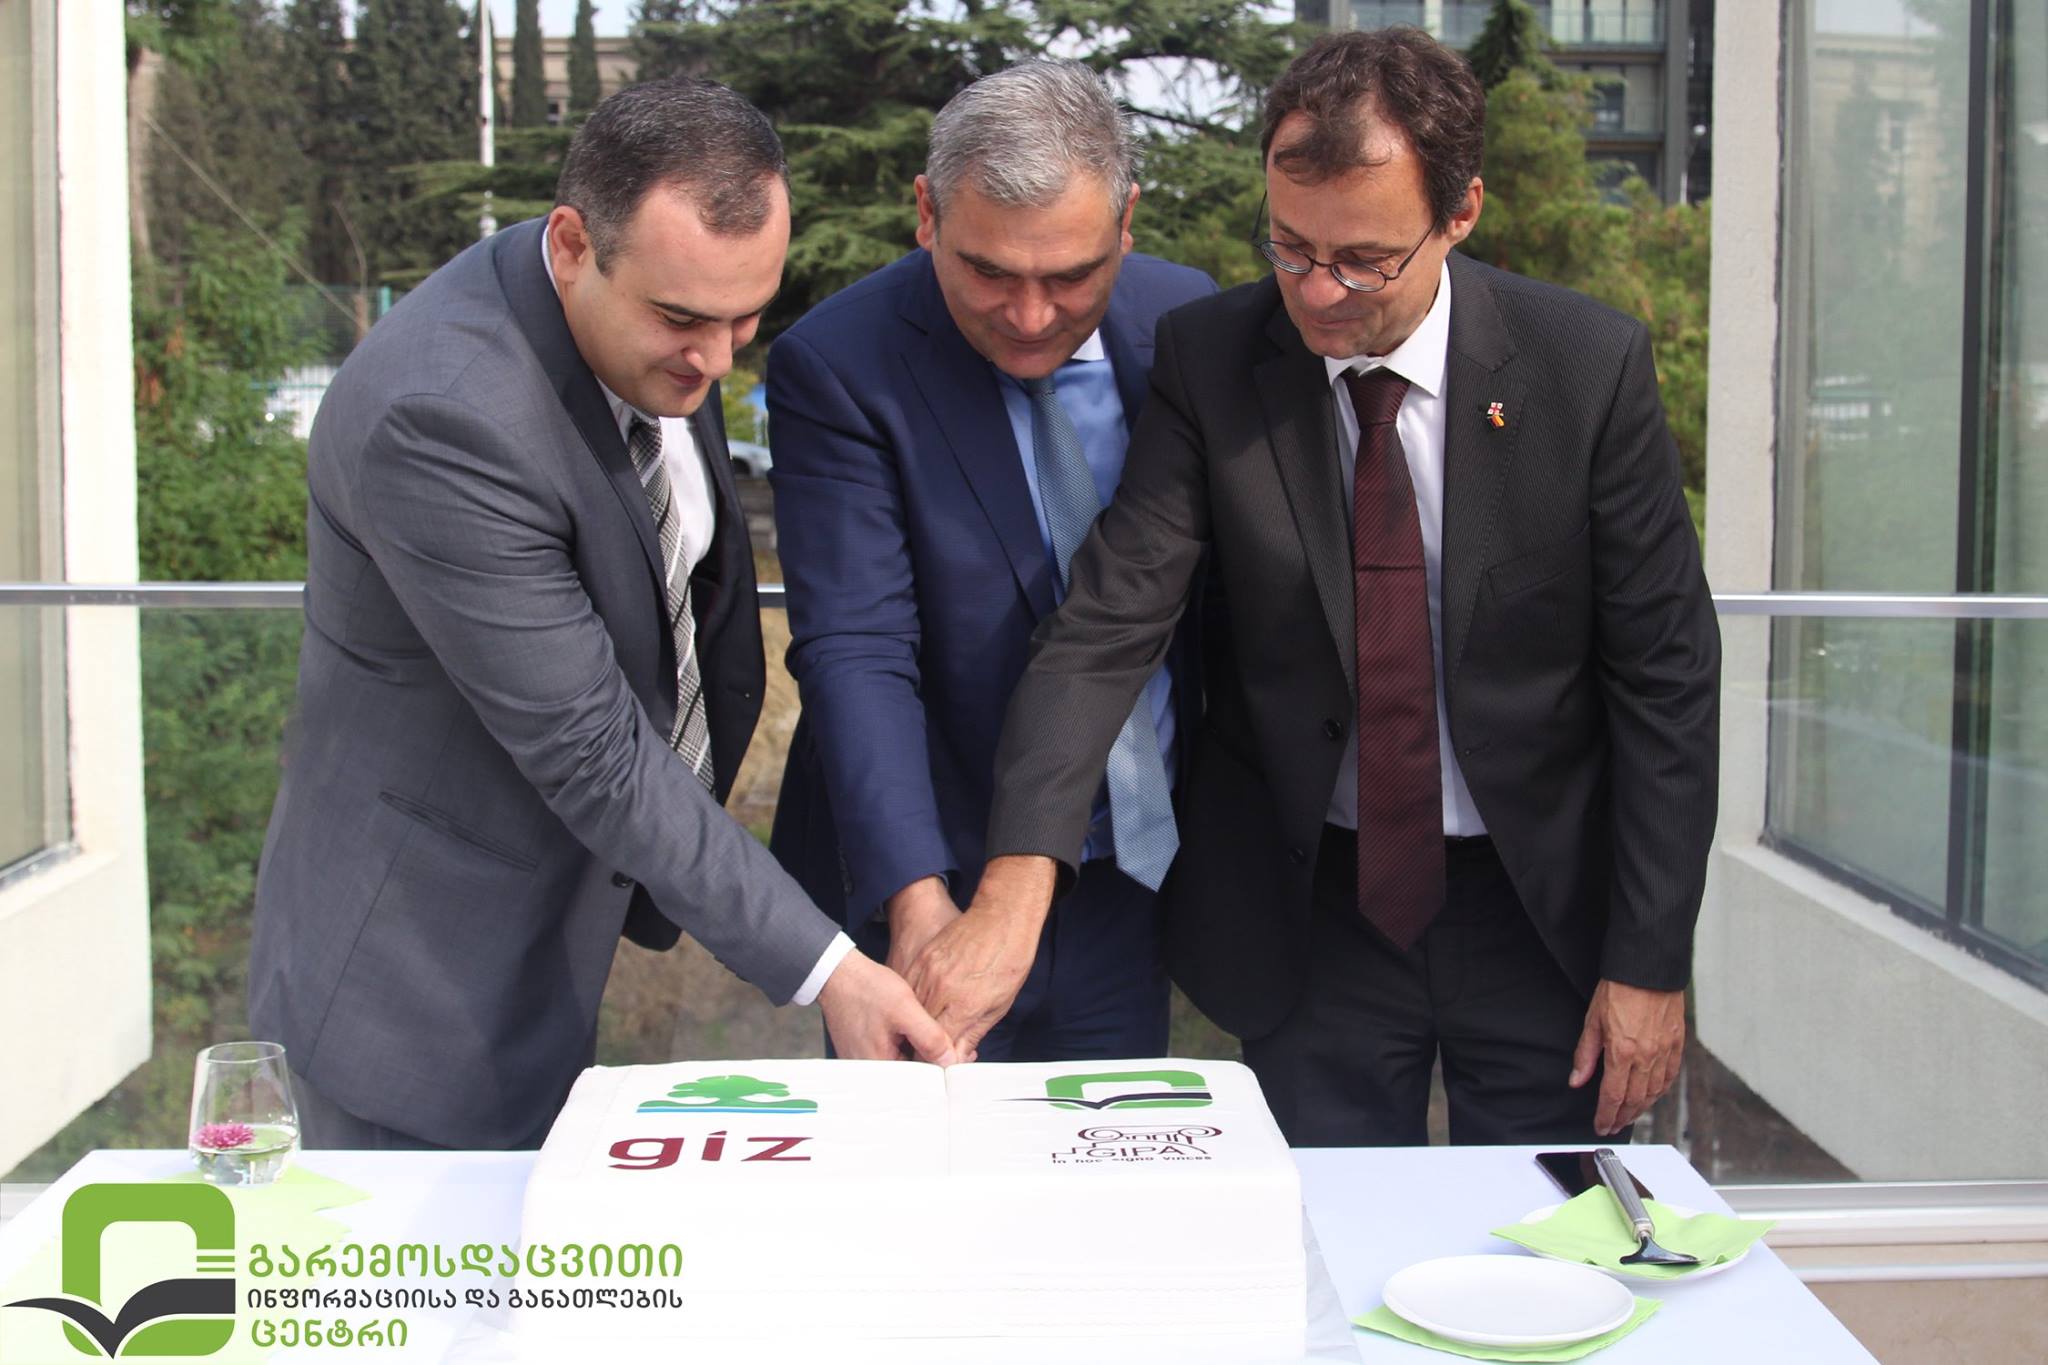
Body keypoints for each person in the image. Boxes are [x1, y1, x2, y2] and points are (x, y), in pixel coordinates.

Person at [967, 30, 1720, 1144]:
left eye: (1364, 259)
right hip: (1310, 912)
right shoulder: (1212, 359)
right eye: (1289, 246)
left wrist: (1651, 959)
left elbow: (1666, 680)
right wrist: (1017, 875)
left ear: (1459, 212)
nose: (1317, 292)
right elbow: (1109, 624)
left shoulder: (1584, 368)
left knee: (1545, 1224)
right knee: (1320, 1229)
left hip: (1539, 909)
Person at [248, 78, 953, 1153]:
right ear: (573, 244)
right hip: (417, 989)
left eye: (746, 317)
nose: (718, 361)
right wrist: (830, 972)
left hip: (569, 920)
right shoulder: (442, 417)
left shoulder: (652, 315)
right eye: (683, 320)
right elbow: (594, 750)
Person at [766, 61, 1215, 1061]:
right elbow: (857, 648)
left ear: (1127, 221)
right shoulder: (840, 364)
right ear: (926, 213)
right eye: (989, 273)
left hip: (1133, 879)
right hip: (936, 870)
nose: (1029, 315)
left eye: (1070, 277)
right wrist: (916, 903)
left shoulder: (1185, 324)